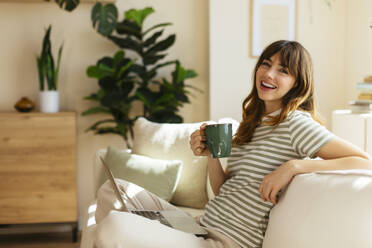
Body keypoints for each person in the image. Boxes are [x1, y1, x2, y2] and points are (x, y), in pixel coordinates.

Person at [94, 40, 372, 248]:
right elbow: (222, 190)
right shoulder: (250, 125)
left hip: (227, 242)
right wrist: (210, 155)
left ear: (298, 84)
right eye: (266, 63)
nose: (269, 74)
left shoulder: (295, 123)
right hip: (199, 226)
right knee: (113, 190)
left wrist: (293, 166)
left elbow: (363, 160)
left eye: (283, 70)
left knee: (116, 226)